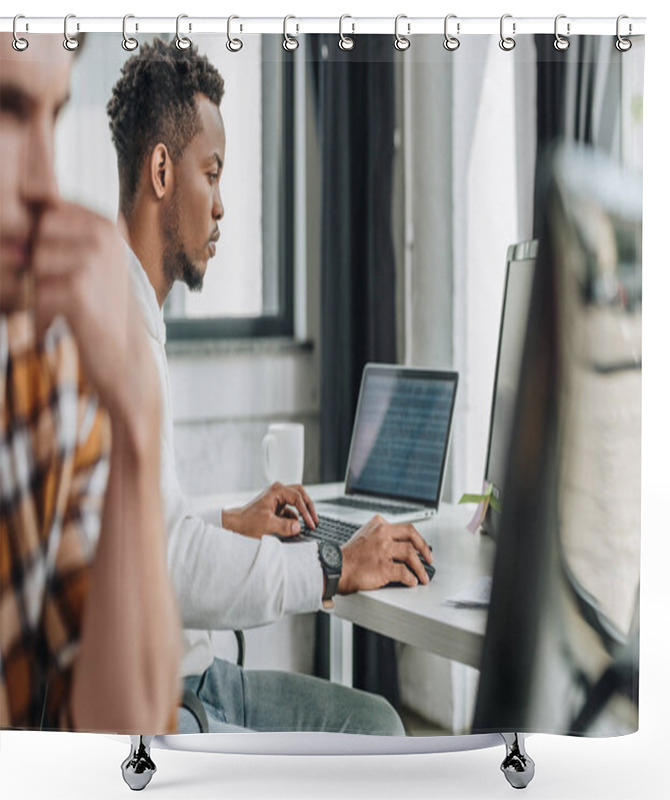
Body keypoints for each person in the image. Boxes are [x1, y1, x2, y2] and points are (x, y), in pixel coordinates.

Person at [106, 39, 433, 735]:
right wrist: (330, 565)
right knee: (378, 734)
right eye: (212, 175)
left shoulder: (130, 311)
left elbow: (139, 536)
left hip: (191, 672)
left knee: (375, 721)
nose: (222, 207)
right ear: (162, 169)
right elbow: (170, 566)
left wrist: (232, 522)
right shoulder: (117, 334)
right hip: (167, 703)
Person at [0, 34, 182, 733]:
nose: (44, 183)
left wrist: (138, 415)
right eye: (8, 113)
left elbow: (127, 740)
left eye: (53, 117)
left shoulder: (48, 363)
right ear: (160, 170)